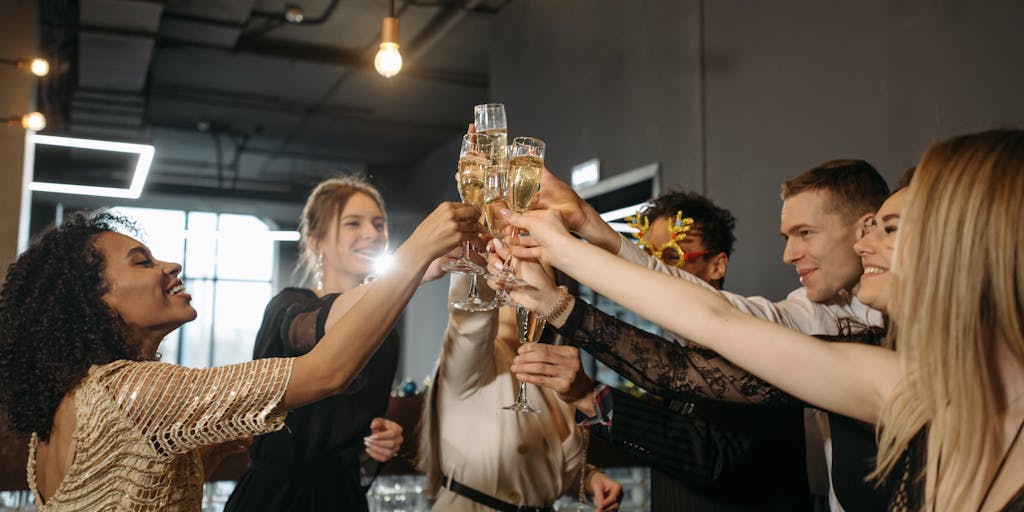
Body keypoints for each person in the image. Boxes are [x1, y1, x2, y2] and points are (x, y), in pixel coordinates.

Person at [505, 128, 1024, 510]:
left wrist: (567, 265)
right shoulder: (901, 382)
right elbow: (717, 322)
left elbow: (714, 331)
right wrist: (570, 257)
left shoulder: (894, 376)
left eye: (891, 228)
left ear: (969, 246)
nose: (869, 242)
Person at [0, 200, 478, 511]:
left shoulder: (79, 397)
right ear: (93, 302)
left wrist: (202, 458)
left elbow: (130, 494)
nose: (171, 264)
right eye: (143, 262)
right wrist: (415, 254)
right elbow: (327, 371)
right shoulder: (131, 391)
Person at [529, 161, 889, 509]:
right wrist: (587, 228)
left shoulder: (890, 344)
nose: (788, 254)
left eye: (805, 232)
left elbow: (710, 320)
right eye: (787, 236)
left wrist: (562, 277)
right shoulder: (806, 311)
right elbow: (705, 320)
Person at [494, 190, 813, 510]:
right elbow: (654, 439)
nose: (650, 273)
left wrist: (590, 397)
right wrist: (582, 473)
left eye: (671, 258)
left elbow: (711, 459)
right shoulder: (677, 356)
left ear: (717, 265)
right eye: (647, 256)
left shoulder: (757, 342)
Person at [226, 177, 417, 511]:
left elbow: (359, 457)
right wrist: (405, 274)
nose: (372, 234)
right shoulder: (289, 307)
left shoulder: (387, 337)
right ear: (315, 240)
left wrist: (378, 444)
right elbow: (313, 328)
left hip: (342, 500)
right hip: (275, 500)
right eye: (353, 224)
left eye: (378, 224)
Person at [416, 265, 622, 512]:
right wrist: (474, 260)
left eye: (537, 278)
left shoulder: (554, 369)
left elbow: (538, 466)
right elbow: (469, 323)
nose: (521, 285)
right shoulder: (470, 364)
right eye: (514, 273)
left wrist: (588, 480)